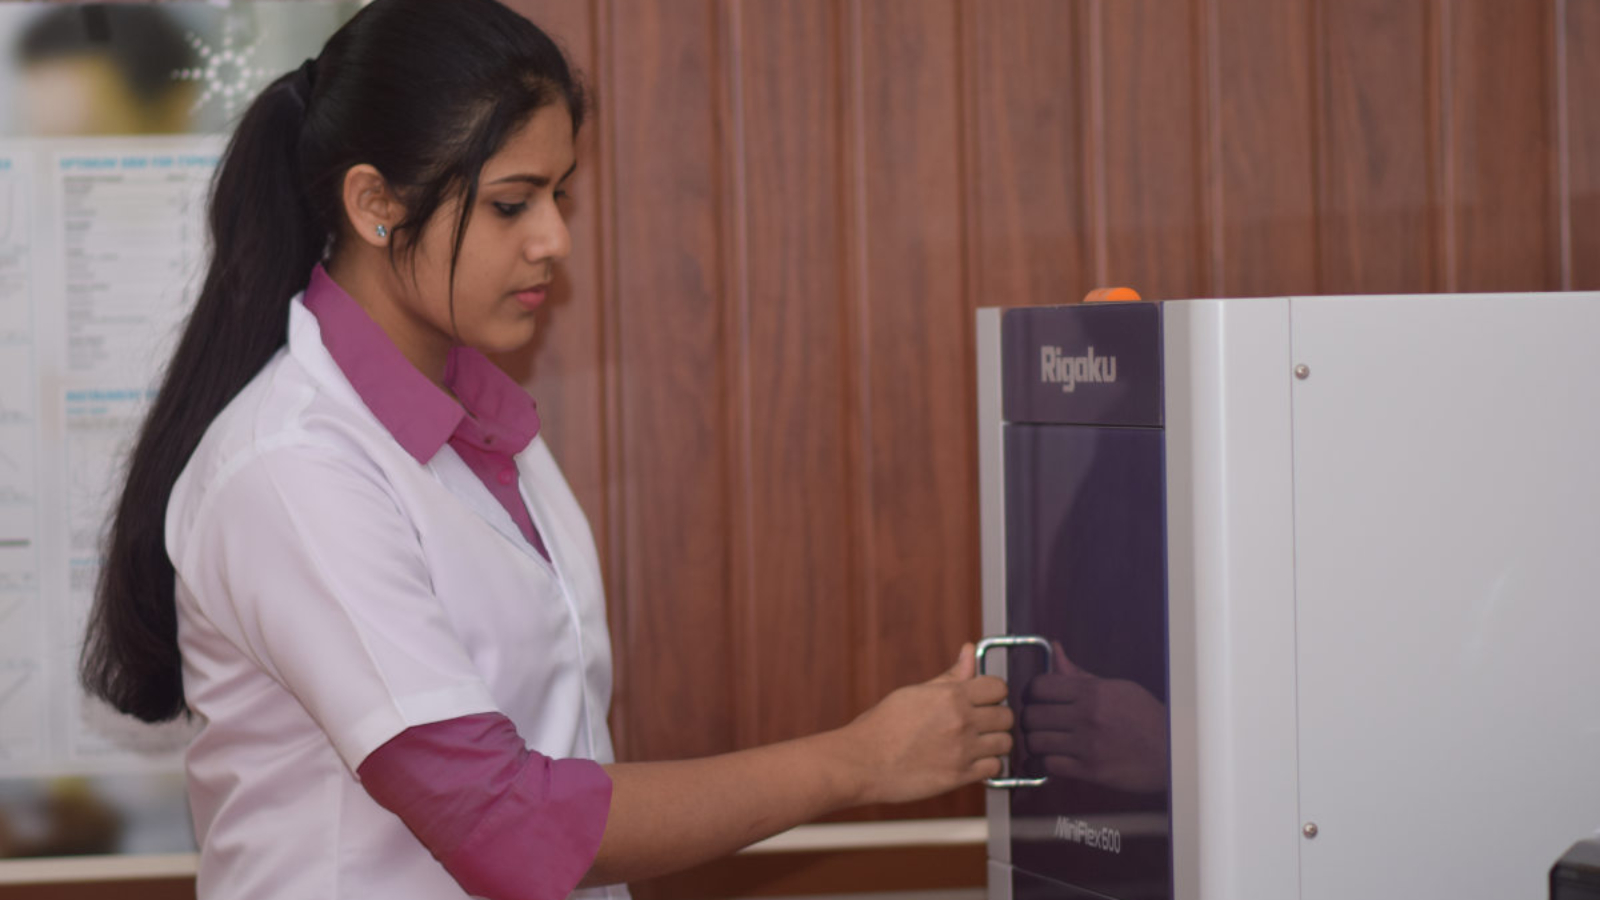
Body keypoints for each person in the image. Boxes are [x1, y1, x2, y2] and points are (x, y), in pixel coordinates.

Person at [77, 2, 1013, 899]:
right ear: (374, 204)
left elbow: (557, 767)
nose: (555, 239)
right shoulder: (291, 470)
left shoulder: (489, 430)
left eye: (559, 195)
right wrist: (857, 761)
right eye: (511, 204)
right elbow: (504, 821)